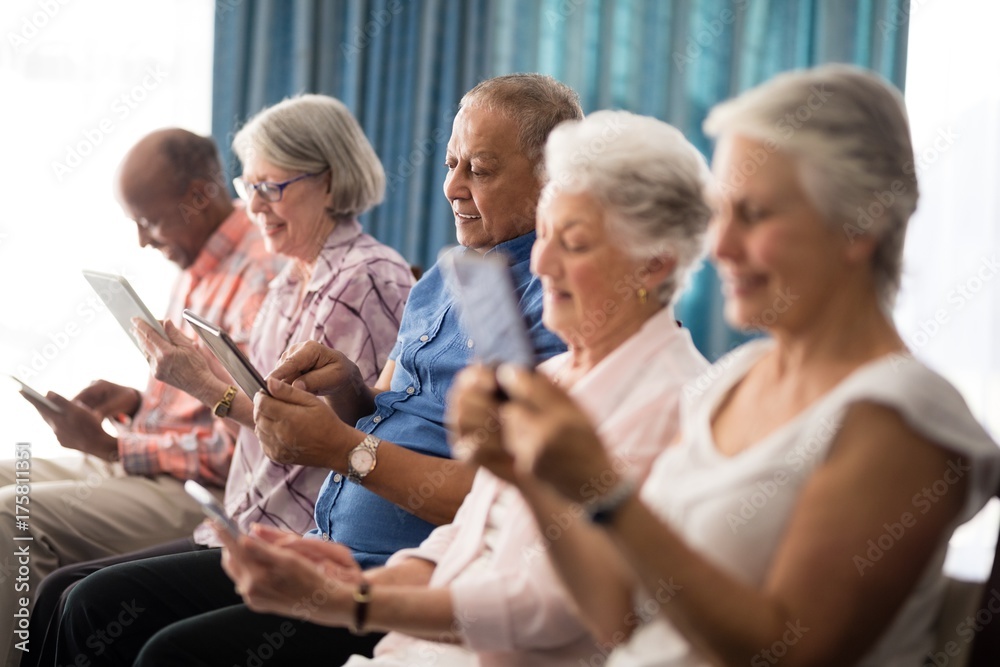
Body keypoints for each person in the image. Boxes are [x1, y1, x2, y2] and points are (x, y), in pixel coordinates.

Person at [461, 65, 1000, 666]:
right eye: (723, 213)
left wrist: (607, 491)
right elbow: (618, 618)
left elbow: (789, 650)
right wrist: (532, 477)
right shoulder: (731, 380)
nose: (719, 247)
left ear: (860, 225)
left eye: (757, 214)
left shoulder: (901, 415)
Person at [58, 74, 580, 666]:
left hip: (390, 573)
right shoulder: (443, 278)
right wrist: (349, 388)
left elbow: (500, 500)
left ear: (552, 176)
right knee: (88, 603)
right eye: (450, 162)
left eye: (479, 170)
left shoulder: (557, 303)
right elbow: (383, 408)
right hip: (322, 542)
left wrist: (339, 449)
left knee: (163, 649)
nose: (452, 186)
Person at [214, 110, 715, 666]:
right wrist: (371, 578)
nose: (541, 262)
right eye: (545, 235)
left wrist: (353, 601)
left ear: (652, 267)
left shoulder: (673, 403)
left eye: (571, 243)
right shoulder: (551, 377)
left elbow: (560, 612)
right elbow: (471, 527)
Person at [28, 94, 412, 667]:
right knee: (64, 594)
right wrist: (177, 388)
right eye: (248, 185)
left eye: (271, 188)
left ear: (330, 184)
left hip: (299, 534)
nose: (253, 207)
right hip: (244, 518)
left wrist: (203, 387)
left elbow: (333, 441)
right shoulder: (289, 280)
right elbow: (259, 416)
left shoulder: (369, 278)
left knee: (87, 602)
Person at [0, 128, 283, 667]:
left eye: (149, 221)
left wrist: (112, 451)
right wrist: (135, 403)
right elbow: (201, 398)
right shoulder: (200, 261)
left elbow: (252, 441)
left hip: (199, 488)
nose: (142, 241)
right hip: (150, 456)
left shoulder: (260, 279)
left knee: (11, 517)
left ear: (201, 196)